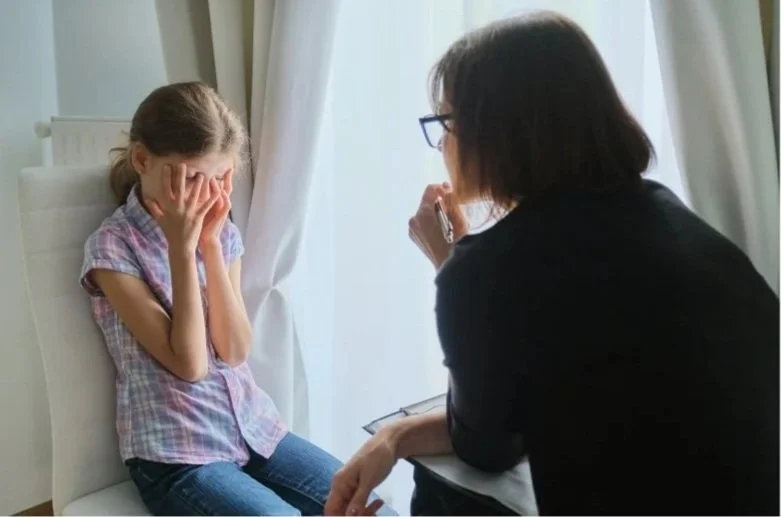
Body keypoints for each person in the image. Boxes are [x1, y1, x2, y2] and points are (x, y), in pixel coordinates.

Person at [326, 11, 779, 516]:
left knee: (438, 494)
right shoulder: (661, 210)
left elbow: (487, 446)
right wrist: (394, 435)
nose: (444, 143)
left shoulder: (488, 270)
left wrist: (451, 261)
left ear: (496, 135)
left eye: (447, 123)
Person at [80, 82, 391, 517]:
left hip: (255, 431)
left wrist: (209, 243)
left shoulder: (221, 234)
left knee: (369, 504)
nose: (203, 197)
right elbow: (189, 364)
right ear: (141, 160)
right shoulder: (111, 248)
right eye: (189, 178)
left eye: (216, 180)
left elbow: (235, 349)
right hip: (177, 458)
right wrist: (182, 250)